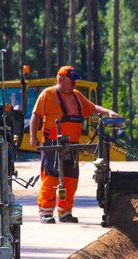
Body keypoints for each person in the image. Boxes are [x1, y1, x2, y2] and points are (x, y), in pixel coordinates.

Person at [30, 66, 121, 224]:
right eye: (71, 80)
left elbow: (92, 108)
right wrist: (33, 137)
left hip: (73, 145)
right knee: (51, 179)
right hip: (52, 144)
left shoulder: (77, 96)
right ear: (60, 79)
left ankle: (65, 212)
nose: (74, 83)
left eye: (74, 80)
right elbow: (35, 116)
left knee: (71, 179)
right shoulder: (47, 94)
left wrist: (109, 112)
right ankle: (45, 212)